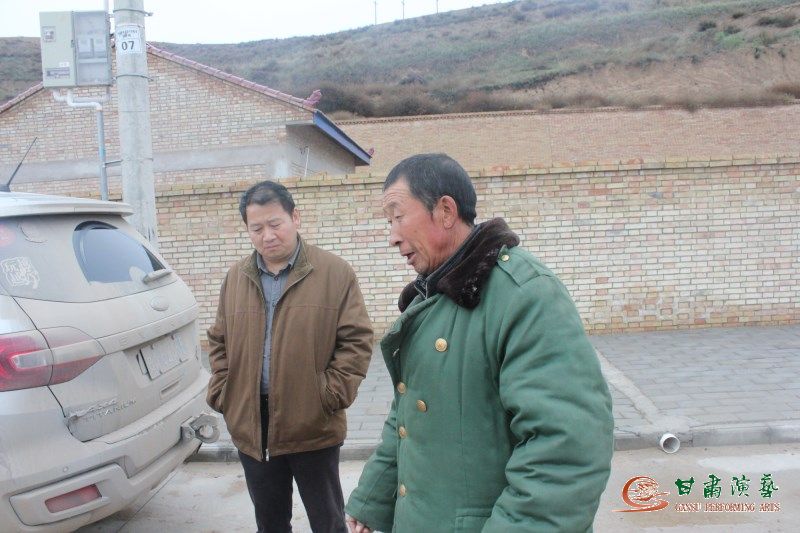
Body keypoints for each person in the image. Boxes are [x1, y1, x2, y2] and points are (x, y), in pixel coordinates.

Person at [345, 154, 614, 532]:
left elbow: (566, 449)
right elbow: (408, 414)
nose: (392, 236)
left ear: (445, 211)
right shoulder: (433, 298)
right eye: (389, 221)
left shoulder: (524, 295)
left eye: (398, 216)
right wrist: (373, 499)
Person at [207, 180, 374, 533]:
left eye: (275, 224)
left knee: (328, 522)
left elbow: (356, 341)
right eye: (257, 228)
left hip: (312, 422)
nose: (267, 236)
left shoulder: (334, 273)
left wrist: (329, 394)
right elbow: (218, 341)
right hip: (253, 424)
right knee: (269, 523)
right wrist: (224, 393)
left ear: (295, 218)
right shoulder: (236, 278)